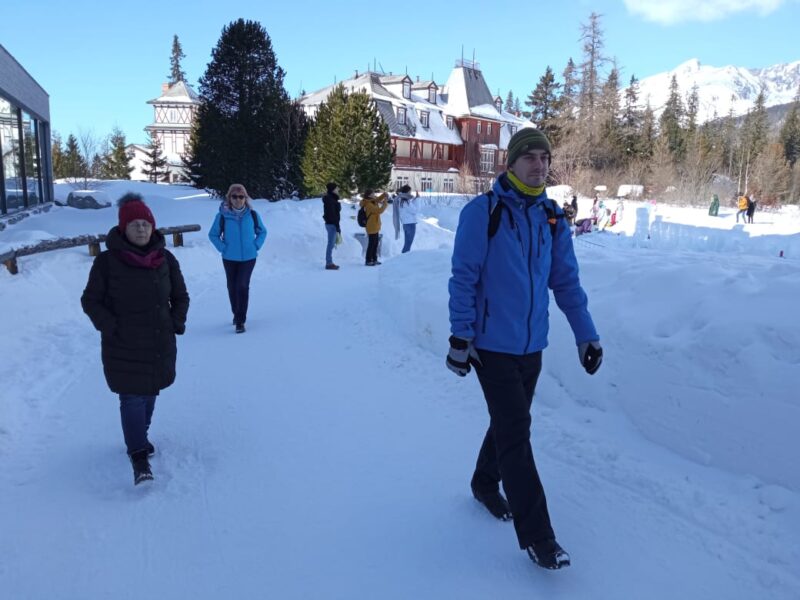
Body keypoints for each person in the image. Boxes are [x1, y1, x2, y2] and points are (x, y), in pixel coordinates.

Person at [447, 128, 602, 571]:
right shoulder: (484, 213)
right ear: (510, 163)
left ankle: (483, 481)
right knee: (516, 431)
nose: (539, 164)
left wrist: (585, 334)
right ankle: (540, 536)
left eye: (544, 157)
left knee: (510, 421)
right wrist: (461, 337)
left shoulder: (553, 218)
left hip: (532, 344)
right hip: (491, 345)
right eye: (529, 157)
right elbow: (464, 277)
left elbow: (566, 283)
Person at [81, 194, 190, 485]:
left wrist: (175, 322)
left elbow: (180, 296)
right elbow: (91, 301)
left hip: (158, 341)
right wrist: (111, 327)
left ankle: (138, 436)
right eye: (134, 224)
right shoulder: (107, 262)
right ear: (123, 228)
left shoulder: (165, 259)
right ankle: (138, 455)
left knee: (151, 392)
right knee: (132, 398)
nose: (141, 229)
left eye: (145, 224)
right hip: (124, 343)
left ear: (153, 227)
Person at [208, 184, 267, 333]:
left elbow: (262, 232)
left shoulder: (252, 214)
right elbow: (213, 234)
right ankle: (236, 313)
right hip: (229, 258)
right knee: (232, 286)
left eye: (241, 197)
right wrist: (223, 248)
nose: (238, 200)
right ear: (229, 197)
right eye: (234, 196)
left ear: (245, 198)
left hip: (249, 257)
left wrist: (256, 245)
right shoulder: (222, 215)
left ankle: (240, 320)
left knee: (242, 285)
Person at [360, 189, 388, 266]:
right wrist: (385, 203)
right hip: (371, 226)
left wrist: (383, 195)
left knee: (375, 243)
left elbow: (377, 199)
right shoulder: (368, 204)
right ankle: (368, 260)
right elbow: (379, 210)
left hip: (375, 226)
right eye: (373, 193)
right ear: (369, 195)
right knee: (371, 244)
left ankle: (374, 259)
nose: (374, 194)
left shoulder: (372, 201)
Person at [395, 184, 420, 253]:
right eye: (410, 191)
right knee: (408, 244)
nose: (411, 193)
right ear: (407, 192)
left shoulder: (401, 200)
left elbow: (410, 207)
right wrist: (417, 199)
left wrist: (415, 199)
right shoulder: (406, 201)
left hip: (406, 224)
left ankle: (404, 257)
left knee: (407, 243)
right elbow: (415, 210)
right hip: (410, 224)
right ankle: (403, 258)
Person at [322, 182, 341, 270]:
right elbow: (332, 214)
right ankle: (329, 263)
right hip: (331, 224)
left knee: (331, 243)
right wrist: (337, 226)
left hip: (331, 223)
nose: (338, 190)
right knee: (330, 244)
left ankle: (329, 262)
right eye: (336, 188)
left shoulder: (332, 199)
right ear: (333, 190)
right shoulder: (330, 200)